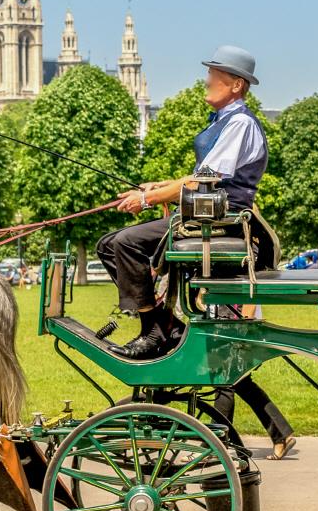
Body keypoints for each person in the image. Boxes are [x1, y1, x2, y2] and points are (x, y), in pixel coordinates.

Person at [95, 45, 269, 360]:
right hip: (204, 217)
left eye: (214, 75)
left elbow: (205, 180)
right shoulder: (225, 120)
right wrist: (161, 186)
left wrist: (147, 198)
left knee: (125, 242)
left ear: (236, 85)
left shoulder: (240, 122)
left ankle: (155, 331)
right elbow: (200, 176)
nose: (207, 80)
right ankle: (165, 325)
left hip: (220, 222)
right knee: (108, 244)